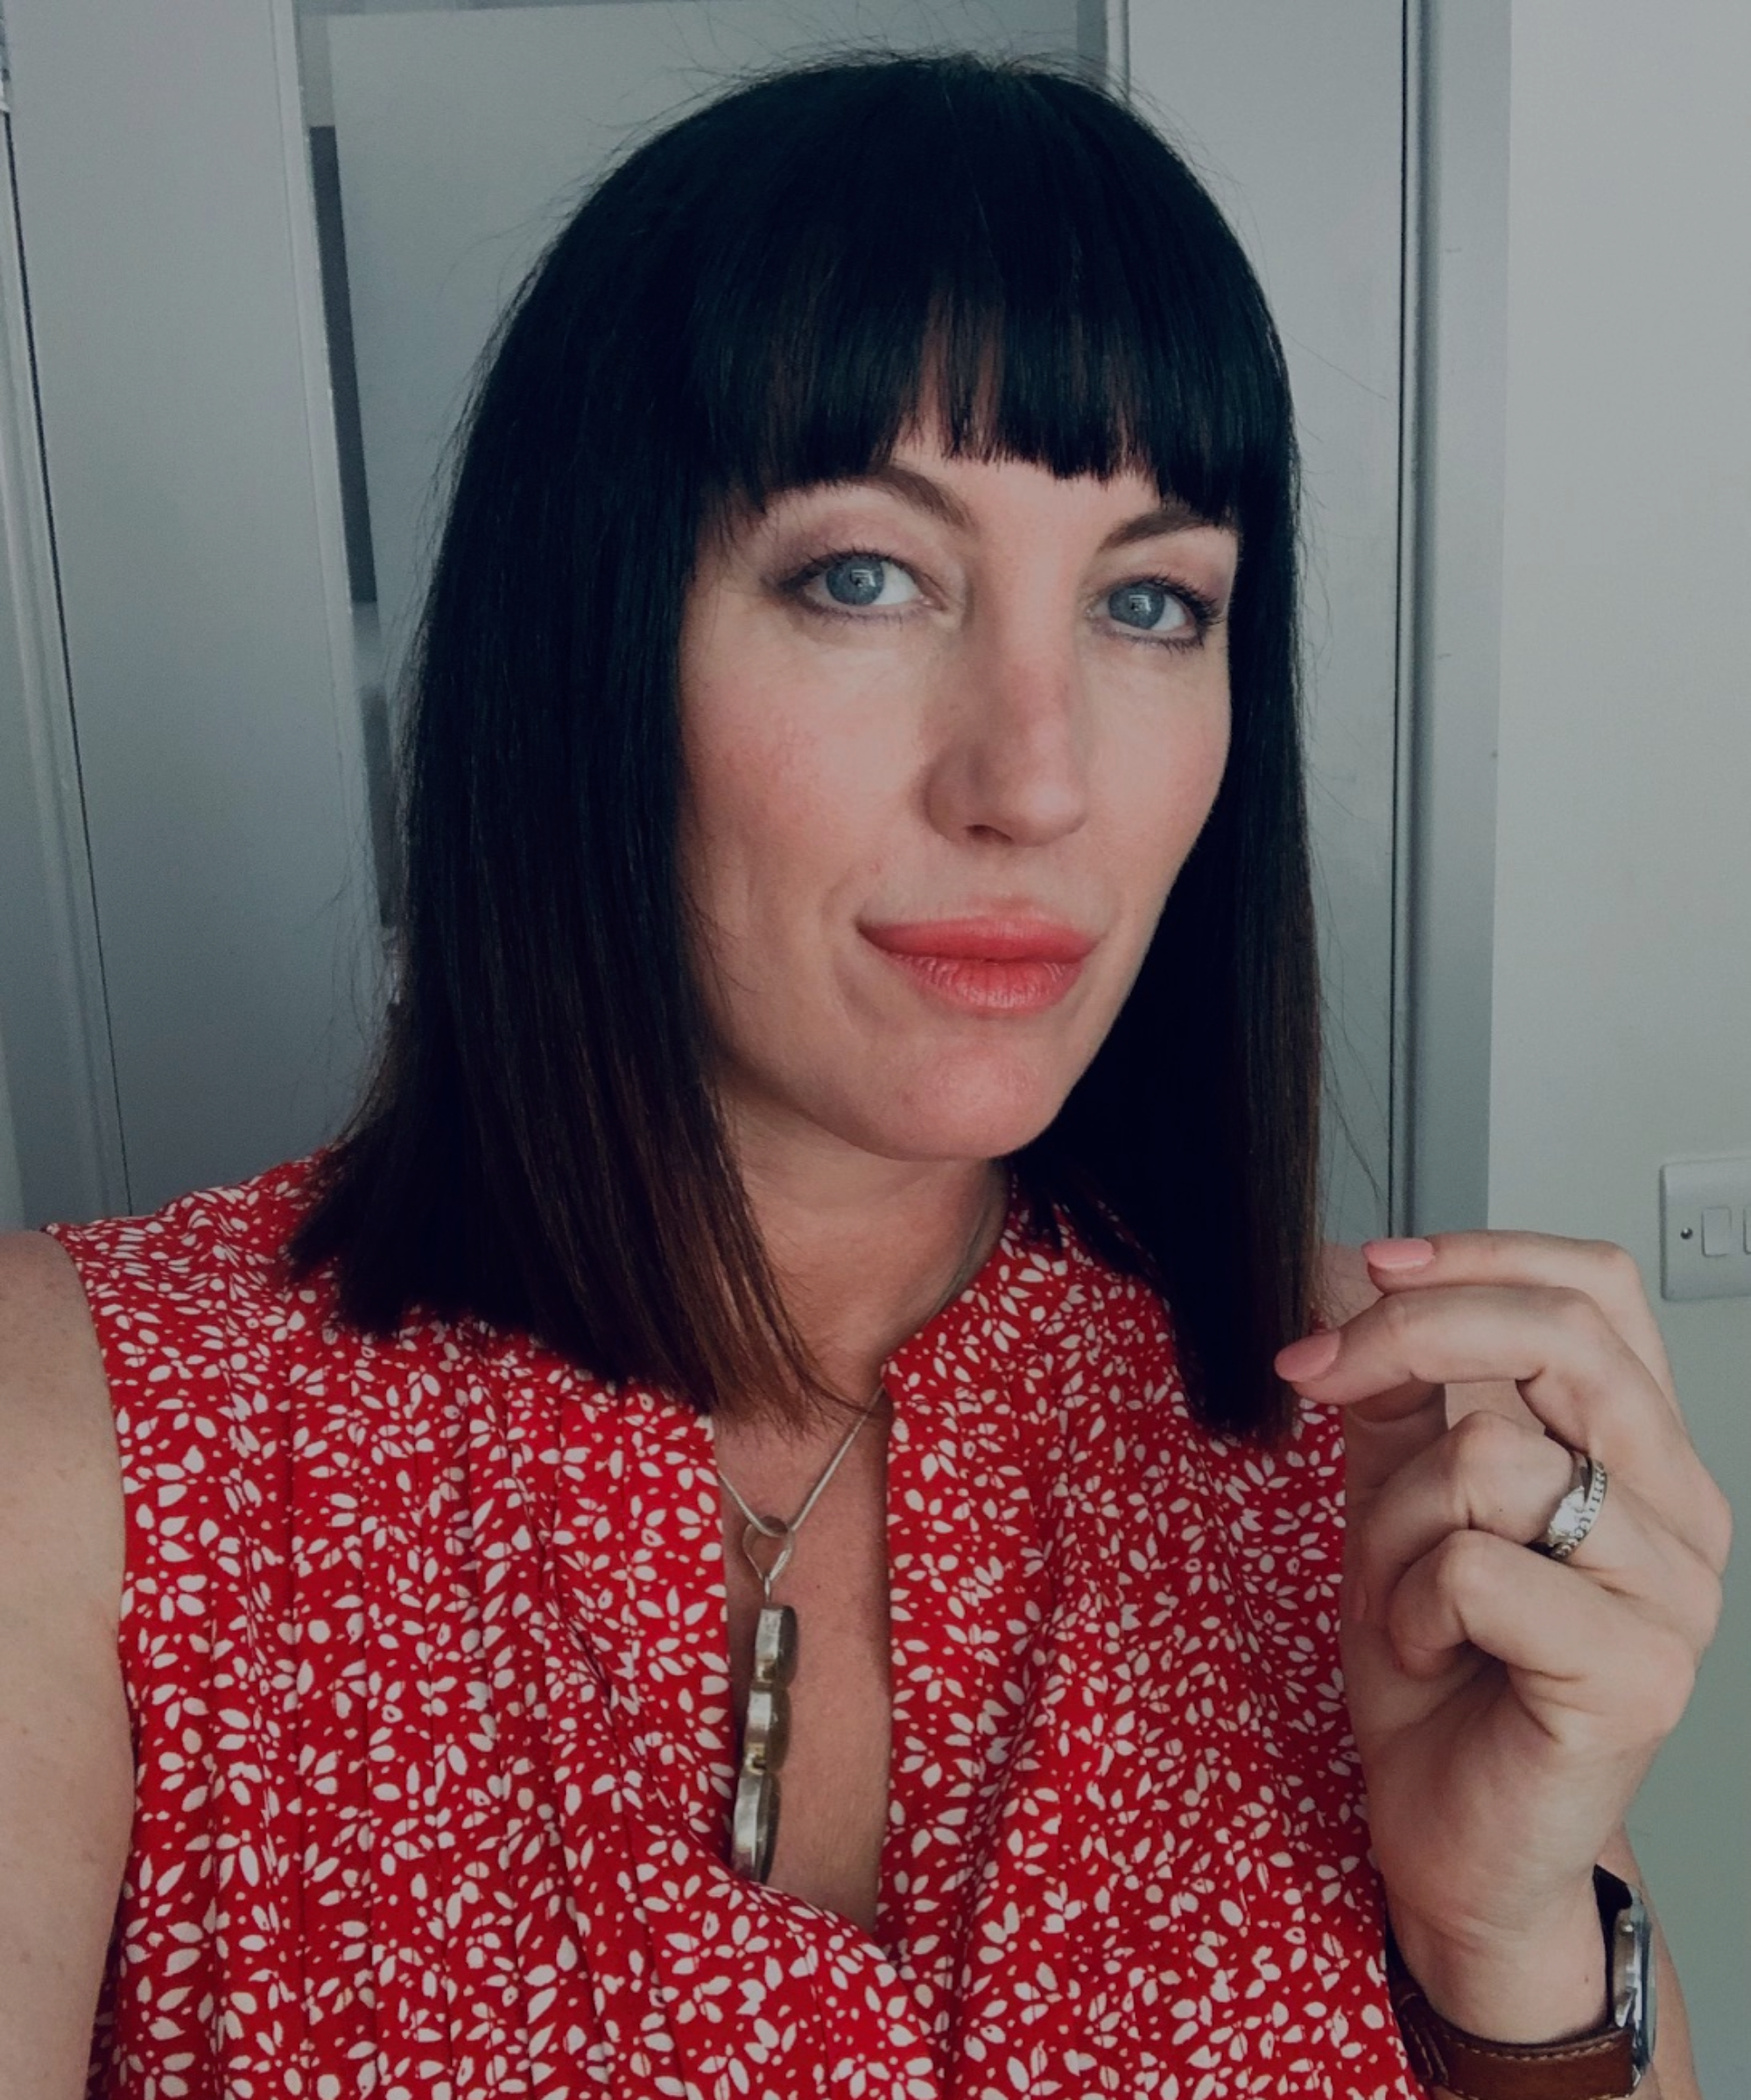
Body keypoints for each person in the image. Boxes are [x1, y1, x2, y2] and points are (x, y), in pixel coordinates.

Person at [0, 46, 1727, 2100]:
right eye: (861, 575)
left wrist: (1500, 1941)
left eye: (1151, 602)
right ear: (590, 643)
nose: (1037, 777)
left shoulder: (1351, 1468)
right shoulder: (90, 1444)